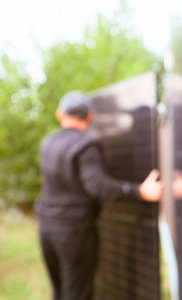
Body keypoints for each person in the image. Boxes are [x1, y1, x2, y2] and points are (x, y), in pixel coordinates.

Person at [34, 91, 163, 300]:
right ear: (90, 115)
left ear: (61, 115)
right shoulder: (85, 145)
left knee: (59, 290)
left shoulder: (48, 143)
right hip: (74, 232)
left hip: (46, 228)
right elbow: (97, 185)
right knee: (77, 293)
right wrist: (139, 191)